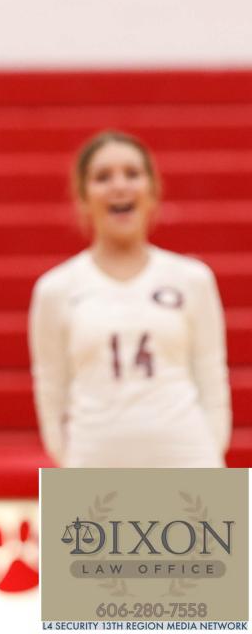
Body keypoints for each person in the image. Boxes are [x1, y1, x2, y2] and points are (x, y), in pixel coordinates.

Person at [29, 130, 230, 468]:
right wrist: (72, 459)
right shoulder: (55, 289)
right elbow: (51, 389)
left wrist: (209, 452)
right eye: (103, 177)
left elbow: (211, 378)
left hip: (188, 460)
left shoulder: (193, 278)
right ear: (82, 196)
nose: (119, 186)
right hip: (93, 464)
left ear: (152, 191)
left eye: (132, 174)